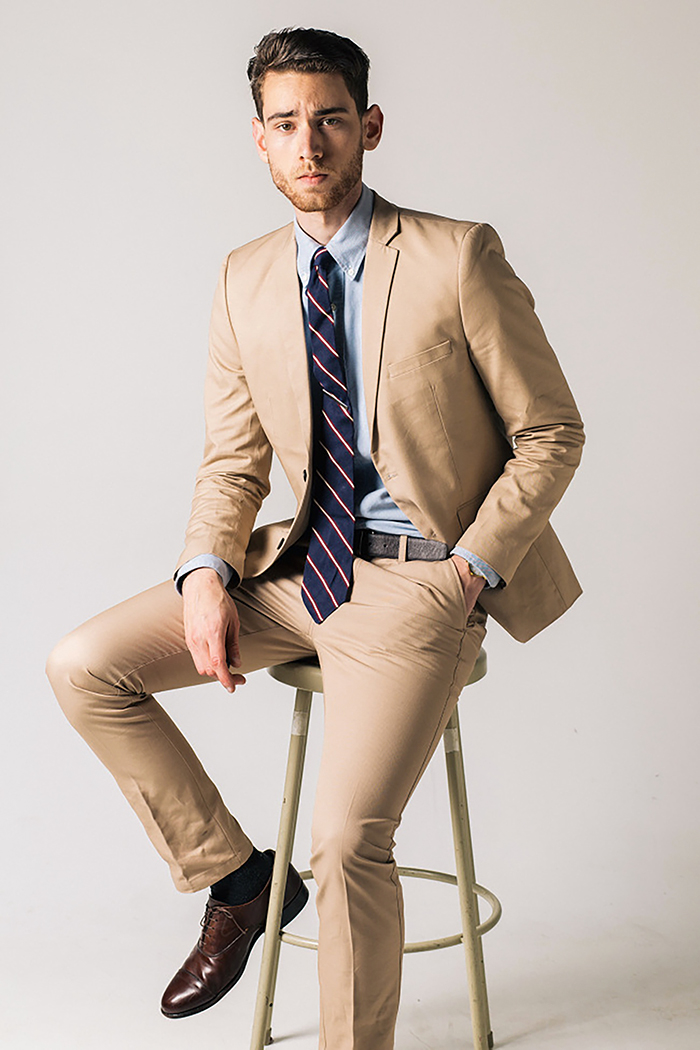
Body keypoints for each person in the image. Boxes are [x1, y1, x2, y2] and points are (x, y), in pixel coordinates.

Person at [46, 26, 584, 1050]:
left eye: (330, 120)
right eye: (286, 124)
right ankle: (239, 880)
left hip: (421, 586)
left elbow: (551, 431)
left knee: (344, 842)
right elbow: (232, 461)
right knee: (82, 667)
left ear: (368, 126)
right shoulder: (245, 277)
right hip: (295, 570)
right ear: (257, 139)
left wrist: (473, 569)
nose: (311, 145)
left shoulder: (453, 254)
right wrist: (205, 570)